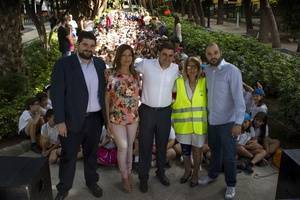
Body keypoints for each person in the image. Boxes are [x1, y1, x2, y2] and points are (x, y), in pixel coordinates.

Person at [51, 31, 106, 200]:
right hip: (72, 120)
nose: (88, 49)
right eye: (85, 45)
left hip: (95, 119)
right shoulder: (63, 64)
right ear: (78, 44)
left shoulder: (99, 64)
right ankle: (64, 187)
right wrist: (60, 121)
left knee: (91, 154)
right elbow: (57, 94)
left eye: (91, 46)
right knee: (69, 155)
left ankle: (91, 182)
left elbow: (103, 90)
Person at [198, 43, 246, 200]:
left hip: (228, 122)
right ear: (206, 56)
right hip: (213, 121)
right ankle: (212, 175)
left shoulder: (232, 71)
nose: (213, 56)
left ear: (221, 52)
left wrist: (238, 123)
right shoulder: (207, 70)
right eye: (210, 53)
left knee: (229, 156)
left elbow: (239, 99)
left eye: (216, 52)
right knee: (215, 151)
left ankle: (231, 185)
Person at [136, 41, 179, 193]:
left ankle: (160, 172)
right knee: (145, 146)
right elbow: (128, 69)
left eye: (171, 55)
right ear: (158, 54)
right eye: (164, 54)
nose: (167, 58)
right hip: (147, 111)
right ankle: (143, 178)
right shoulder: (145, 64)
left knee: (162, 146)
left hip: (165, 113)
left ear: (174, 56)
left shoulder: (176, 69)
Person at [105, 44, 140, 193]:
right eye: (124, 55)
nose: (127, 58)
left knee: (130, 146)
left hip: (133, 118)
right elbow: (106, 100)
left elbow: (138, 96)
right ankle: (124, 176)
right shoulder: (111, 76)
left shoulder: (136, 75)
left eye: (130, 55)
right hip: (116, 118)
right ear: (119, 57)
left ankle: (129, 172)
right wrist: (107, 122)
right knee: (123, 147)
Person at [171, 57, 208, 187]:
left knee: (197, 152)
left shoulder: (204, 83)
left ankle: (195, 174)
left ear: (199, 69)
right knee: (185, 152)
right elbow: (171, 99)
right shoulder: (178, 82)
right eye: (189, 66)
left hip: (199, 126)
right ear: (185, 67)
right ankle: (187, 171)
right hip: (183, 125)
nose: (191, 69)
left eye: (195, 67)